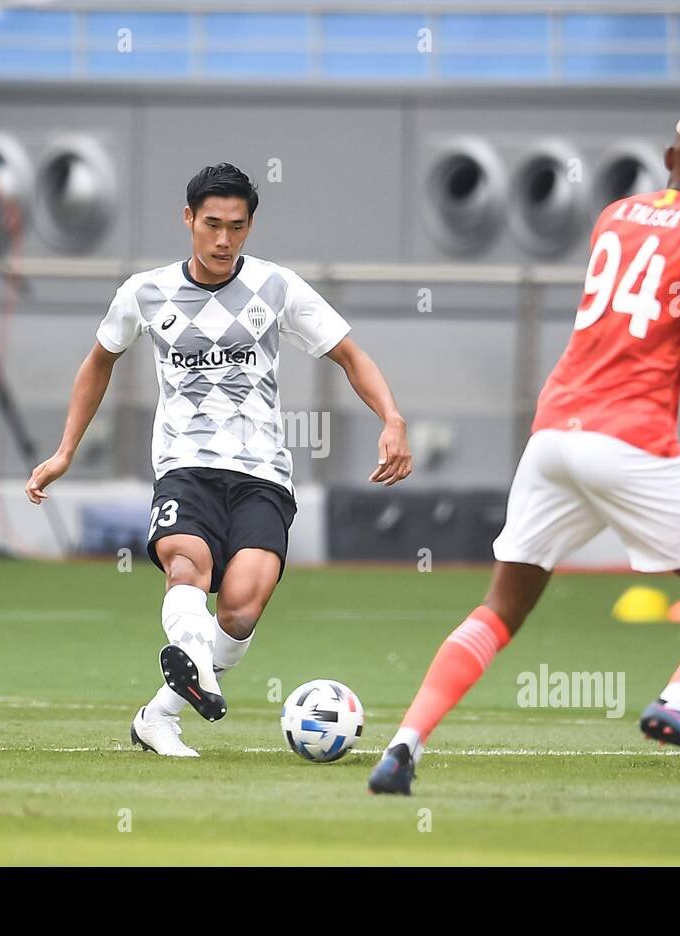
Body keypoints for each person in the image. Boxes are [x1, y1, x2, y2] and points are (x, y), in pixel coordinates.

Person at [369, 108, 680, 794]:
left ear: (668, 157)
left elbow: (646, 321)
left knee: (499, 611)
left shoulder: (615, 215)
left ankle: (403, 746)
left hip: (553, 435)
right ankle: (678, 703)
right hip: (630, 443)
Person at [27, 163, 411, 757]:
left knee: (241, 605)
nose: (223, 240)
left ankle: (161, 713)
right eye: (212, 225)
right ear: (188, 220)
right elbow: (98, 363)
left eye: (236, 226)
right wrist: (64, 452)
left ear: (250, 225)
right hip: (185, 465)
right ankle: (195, 670)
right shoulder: (144, 292)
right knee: (188, 566)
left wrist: (392, 419)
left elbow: (351, 356)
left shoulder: (277, 287)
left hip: (262, 473)